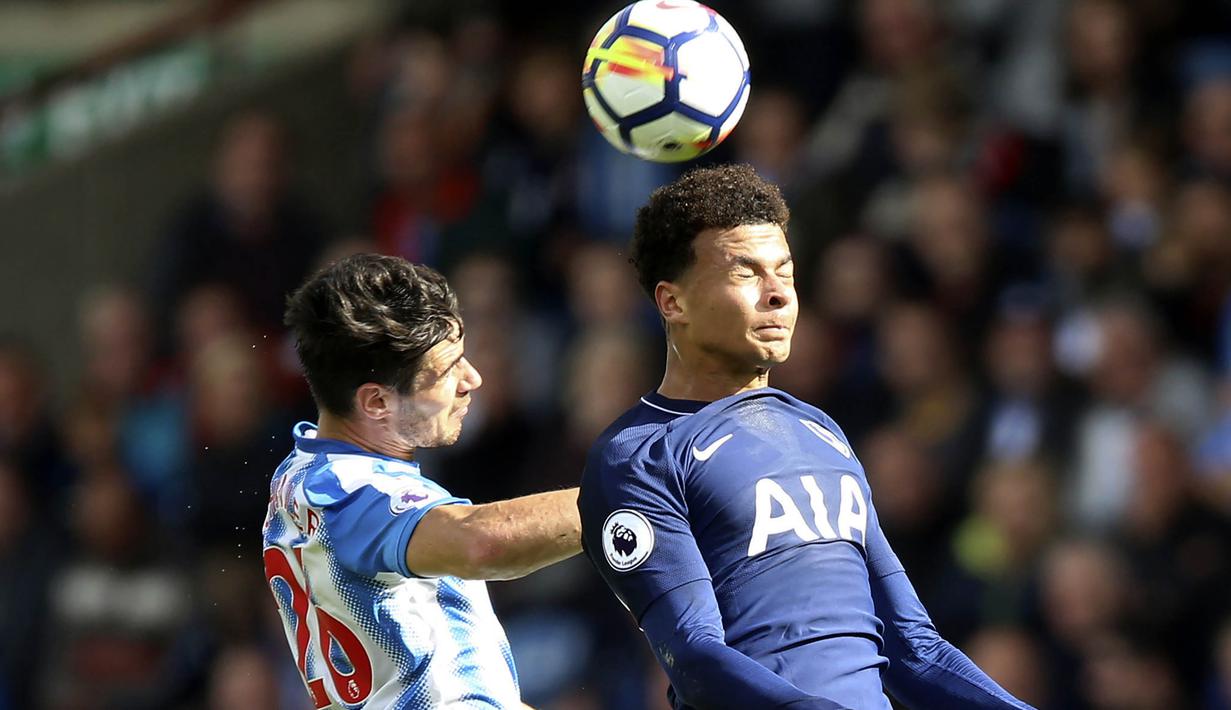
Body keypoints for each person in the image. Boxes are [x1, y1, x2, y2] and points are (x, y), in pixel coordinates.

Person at [578, 164, 1033, 709]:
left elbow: (914, 648)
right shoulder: (638, 456)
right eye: (747, 274)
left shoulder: (821, 433)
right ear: (672, 302)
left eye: (785, 273)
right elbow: (696, 658)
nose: (778, 296)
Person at [264, 254, 580, 708]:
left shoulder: (301, 474)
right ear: (375, 402)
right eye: (447, 369)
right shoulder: (350, 489)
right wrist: (630, 494)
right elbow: (483, 543)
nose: (473, 378)